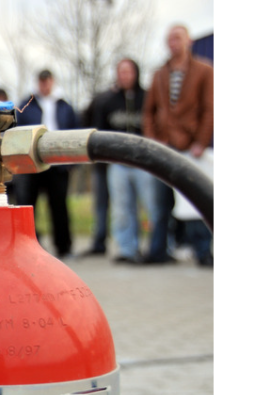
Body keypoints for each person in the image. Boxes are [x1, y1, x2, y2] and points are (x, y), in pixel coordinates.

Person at [142, 24, 214, 264]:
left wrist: (201, 142)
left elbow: (209, 109)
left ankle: (203, 251)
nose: (173, 43)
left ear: (188, 41)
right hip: (164, 146)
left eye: (177, 38)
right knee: (160, 202)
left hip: (191, 146)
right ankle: (158, 251)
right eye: (169, 39)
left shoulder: (204, 70)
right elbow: (149, 111)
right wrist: (152, 139)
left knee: (194, 201)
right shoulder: (159, 74)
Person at [92, 58, 157, 265]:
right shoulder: (107, 101)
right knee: (122, 208)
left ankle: (159, 247)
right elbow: (98, 130)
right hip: (118, 163)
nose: (125, 75)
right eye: (121, 72)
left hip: (144, 163)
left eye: (129, 71)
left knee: (152, 206)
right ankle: (127, 249)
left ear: (136, 73)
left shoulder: (147, 98)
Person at [13, 69, 80, 259]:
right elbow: (18, 130)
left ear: (52, 81)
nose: (44, 84)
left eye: (47, 80)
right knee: (27, 206)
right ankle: (27, 246)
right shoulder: (26, 105)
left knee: (59, 206)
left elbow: (74, 130)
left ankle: (64, 247)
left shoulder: (65, 106)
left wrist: (71, 163)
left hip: (57, 163)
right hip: (31, 163)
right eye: (41, 81)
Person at [79, 89, 110, 257]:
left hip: (107, 162)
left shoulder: (105, 101)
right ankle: (99, 241)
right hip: (100, 163)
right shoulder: (99, 102)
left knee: (107, 206)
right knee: (101, 205)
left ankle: (103, 242)